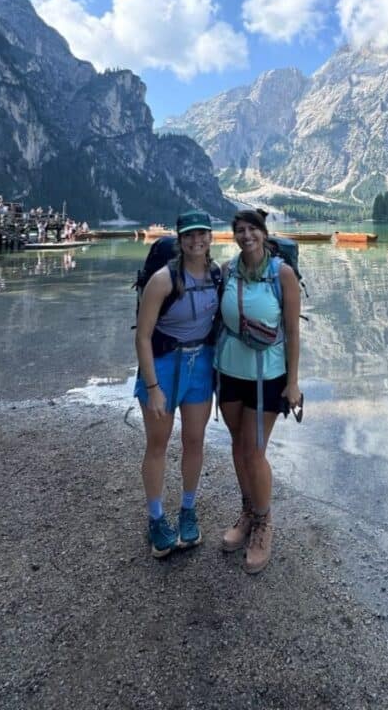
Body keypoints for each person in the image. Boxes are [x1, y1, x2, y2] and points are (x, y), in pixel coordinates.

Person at [214, 209, 301, 574]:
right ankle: (248, 511)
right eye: (240, 230)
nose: (246, 235)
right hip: (230, 369)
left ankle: (264, 522)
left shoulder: (282, 274)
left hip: (269, 374)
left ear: (265, 234)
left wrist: (293, 383)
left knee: (254, 451)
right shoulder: (228, 271)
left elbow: (294, 333)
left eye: (252, 229)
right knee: (238, 445)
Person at [134, 209, 219, 558]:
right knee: (158, 444)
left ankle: (187, 510)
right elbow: (142, 338)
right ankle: (156, 518)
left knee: (195, 441)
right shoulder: (163, 280)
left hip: (201, 366)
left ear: (210, 237)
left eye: (202, 234)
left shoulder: (217, 275)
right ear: (180, 240)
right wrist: (153, 388)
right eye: (189, 236)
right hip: (164, 365)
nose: (196, 241)